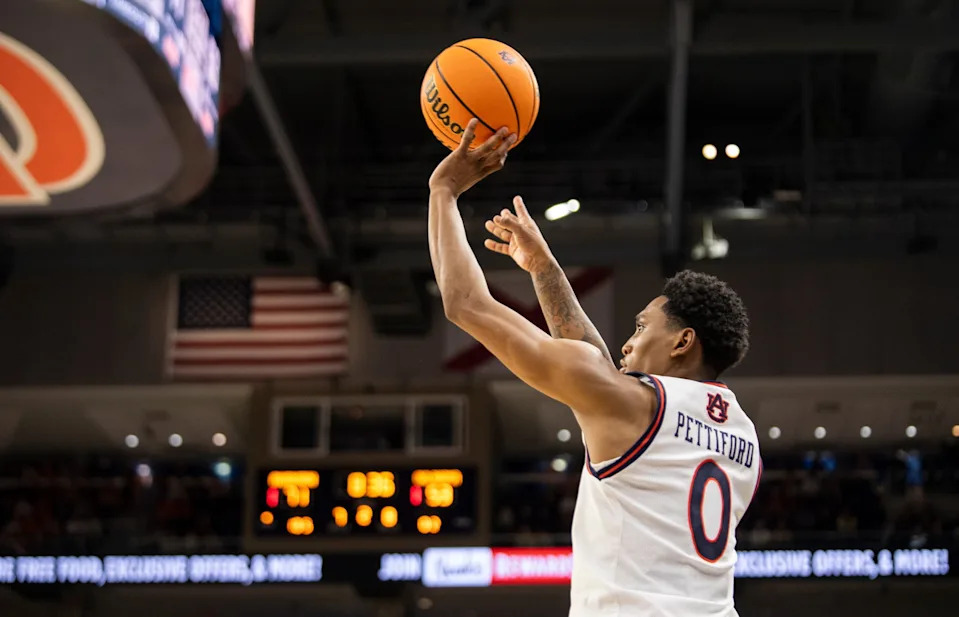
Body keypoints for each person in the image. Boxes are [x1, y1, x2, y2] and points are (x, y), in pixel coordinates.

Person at [428, 120, 761, 617]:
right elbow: (599, 368)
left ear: (682, 341)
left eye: (642, 327)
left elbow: (465, 304)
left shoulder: (630, 406)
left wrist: (444, 191)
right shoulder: (744, 438)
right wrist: (545, 270)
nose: (627, 344)